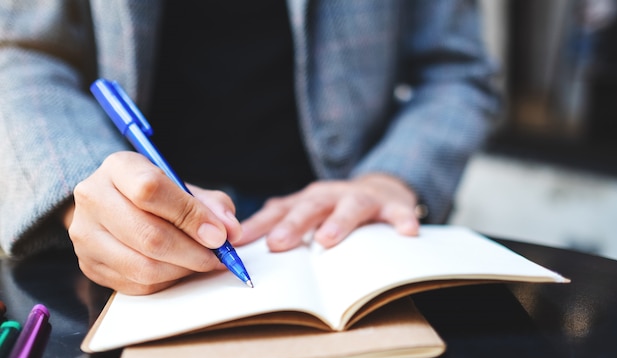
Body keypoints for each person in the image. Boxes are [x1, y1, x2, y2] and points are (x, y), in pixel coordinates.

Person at [0, 0, 500, 295]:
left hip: (346, 225)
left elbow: (457, 73)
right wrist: (80, 182)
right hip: (119, 237)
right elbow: (20, 55)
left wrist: (390, 178)